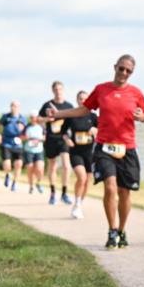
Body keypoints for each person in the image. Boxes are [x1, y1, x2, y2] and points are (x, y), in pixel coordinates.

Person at [48, 54, 144, 249]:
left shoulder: (136, 93)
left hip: (127, 147)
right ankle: (112, 231)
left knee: (125, 192)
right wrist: (59, 114)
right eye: (121, 68)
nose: (124, 73)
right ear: (115, 67)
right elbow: (84, 110)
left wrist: (141, 117)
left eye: (128, 71)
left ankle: (122, 230)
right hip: (104, 146)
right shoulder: (102, 89)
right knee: (110, 187)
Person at [62, 90, 98, 219]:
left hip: (90, 152)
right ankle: (76, 204)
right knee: (81, 178)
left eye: (85, 99)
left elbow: (103, 132)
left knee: (87, 181)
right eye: (80, 98)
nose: (82, 101)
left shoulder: (93, 117)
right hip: (76, 151)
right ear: (77, 100)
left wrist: (96, 130)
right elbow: (63, 131)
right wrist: (68, 140)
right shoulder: (72, 115)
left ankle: (79, 205)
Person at [39, 81, 75, 206]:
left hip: (63, 138)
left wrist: (71, 138)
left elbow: (73, 123)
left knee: (66, 165)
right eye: (56, 89)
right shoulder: (47, 105)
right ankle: (53, 193)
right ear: (52, 90)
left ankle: (64, 193)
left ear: (63, 90)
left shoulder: (69, 106)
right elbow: (38, 120)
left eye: (60, 89)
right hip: (50, 138)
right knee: (52, 166)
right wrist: (47, 119)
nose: (58, 91)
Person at [0, 101, 26, 192]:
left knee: (18, 164)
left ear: (19, 107)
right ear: (10, 107)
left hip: (17, 143)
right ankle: (7, 174)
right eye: (12, 106)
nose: (14, 107)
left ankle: (14, 183)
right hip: (6, 142)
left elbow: (26, 132)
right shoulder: (6, 117)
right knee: (7, 164)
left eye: (16, 106)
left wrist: (23, 134)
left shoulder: (22, 118)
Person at [23, 115, 46, 194]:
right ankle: (31, 186)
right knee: (30, 168)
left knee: (40, 168)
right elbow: (21, 136)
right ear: (30, 118)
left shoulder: (41, 127)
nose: (34, 119)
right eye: (32, 117)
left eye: (35, 117)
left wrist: (38, 140)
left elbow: (44, 137)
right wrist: (27, 138)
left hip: (39, 150)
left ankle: (39, 182)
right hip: (28, 150)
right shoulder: (27, 127)